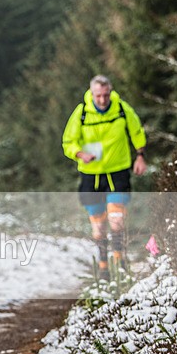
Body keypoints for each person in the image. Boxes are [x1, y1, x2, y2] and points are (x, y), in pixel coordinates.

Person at [62, 74, 147, 279]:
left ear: (110, 92)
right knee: (98, 224)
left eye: (106, 95)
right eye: (98, 96)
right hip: (91, 175)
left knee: (116, 218)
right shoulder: (81, 113)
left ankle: (119, 260)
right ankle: (103, 265)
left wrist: (140, 156)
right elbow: (68, 142)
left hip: (118, 171)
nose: (102, 100)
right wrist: (80, 153)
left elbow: (136, 131)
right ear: (92, 94)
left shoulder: (121, 108)